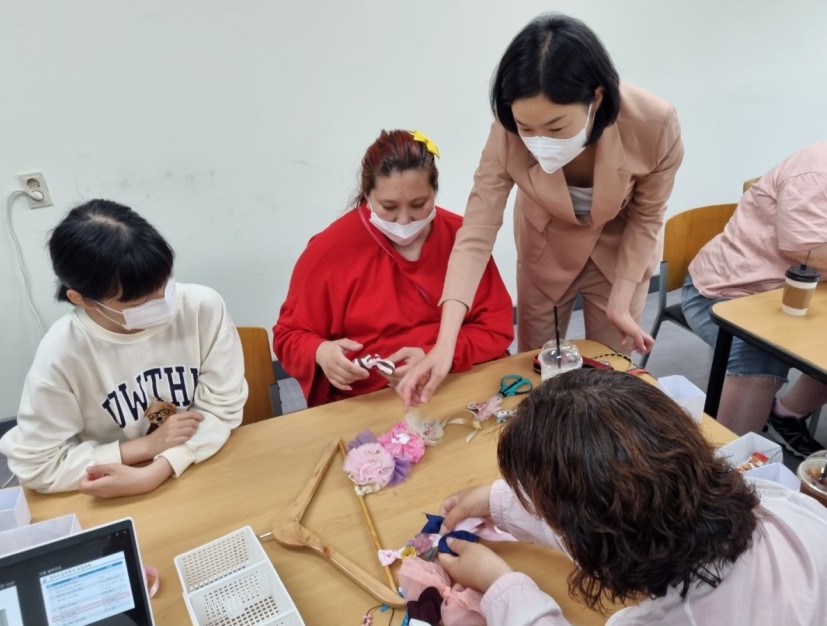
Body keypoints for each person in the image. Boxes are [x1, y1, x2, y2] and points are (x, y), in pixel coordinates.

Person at [399, 13, 683, 409]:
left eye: (555, 127)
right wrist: (444, 343)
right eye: (527, 129)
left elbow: (647, 216)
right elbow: (476, 234)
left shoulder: (653, 124)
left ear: (596, 98)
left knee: (610, 375)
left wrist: (621, 299)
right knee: (537, 369)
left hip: (619, 253)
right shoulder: (506, 132)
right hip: (545, 246)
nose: (538, 142)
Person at [437, 369, 827, 625]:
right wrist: (503, 502)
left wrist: (503, 587)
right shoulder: (784, 505)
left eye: (542, 506)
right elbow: (624, 515)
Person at [0, 200, 247, 498]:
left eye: (164, 283)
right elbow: (36, 465)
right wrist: (143, 448)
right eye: (139, 302)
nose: (163, 302)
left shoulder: (201, 307)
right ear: (81, 299)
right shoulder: (63, 352)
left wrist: (159, 469)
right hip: (114, 482)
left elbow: (222, 409)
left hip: (198, 467)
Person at [273, 129, 514, 406]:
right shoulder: (329, 251)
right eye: (388, 206)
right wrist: (321, 352)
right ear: (367, 194)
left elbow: (496, 328)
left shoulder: (463, 242)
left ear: (434, 191)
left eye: (418, 204)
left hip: (455, 384)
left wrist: (438, 355)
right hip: (369, 401)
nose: (403, 220)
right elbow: (288, 336)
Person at [683, 141, 827, 456]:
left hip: (797, 294)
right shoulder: (816, 171)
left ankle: (786, 414)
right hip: (728, 292)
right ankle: (725, 462)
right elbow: (807, 251)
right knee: (760, 355)